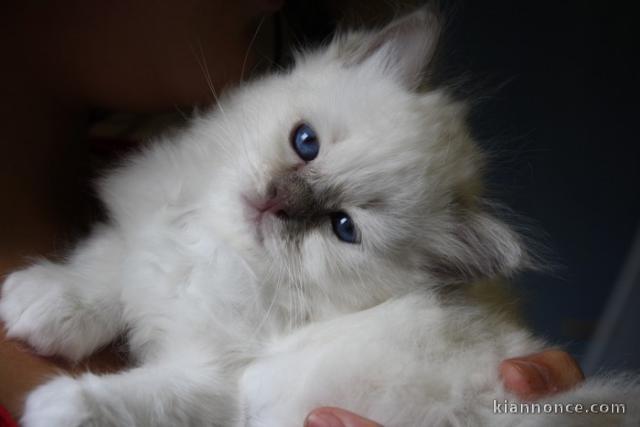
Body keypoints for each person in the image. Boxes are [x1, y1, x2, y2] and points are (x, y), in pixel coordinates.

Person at [0, 1, 584, 425]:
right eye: (304, 142)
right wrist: (93, 291)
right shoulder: (177, 163)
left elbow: (208, 378)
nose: (285, 200)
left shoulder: (289, 320)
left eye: (344, 226)